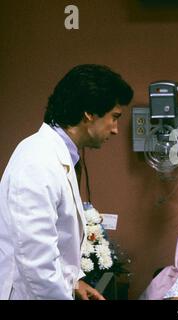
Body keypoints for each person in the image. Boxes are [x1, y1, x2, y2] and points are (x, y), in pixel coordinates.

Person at [0, 64, 133, 300]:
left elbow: (58, 240)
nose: (115, 130)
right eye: (114, 117)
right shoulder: (37, 161)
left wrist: (74, 282)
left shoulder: (59, 156)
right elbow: (36, 264)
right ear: (89, 113)